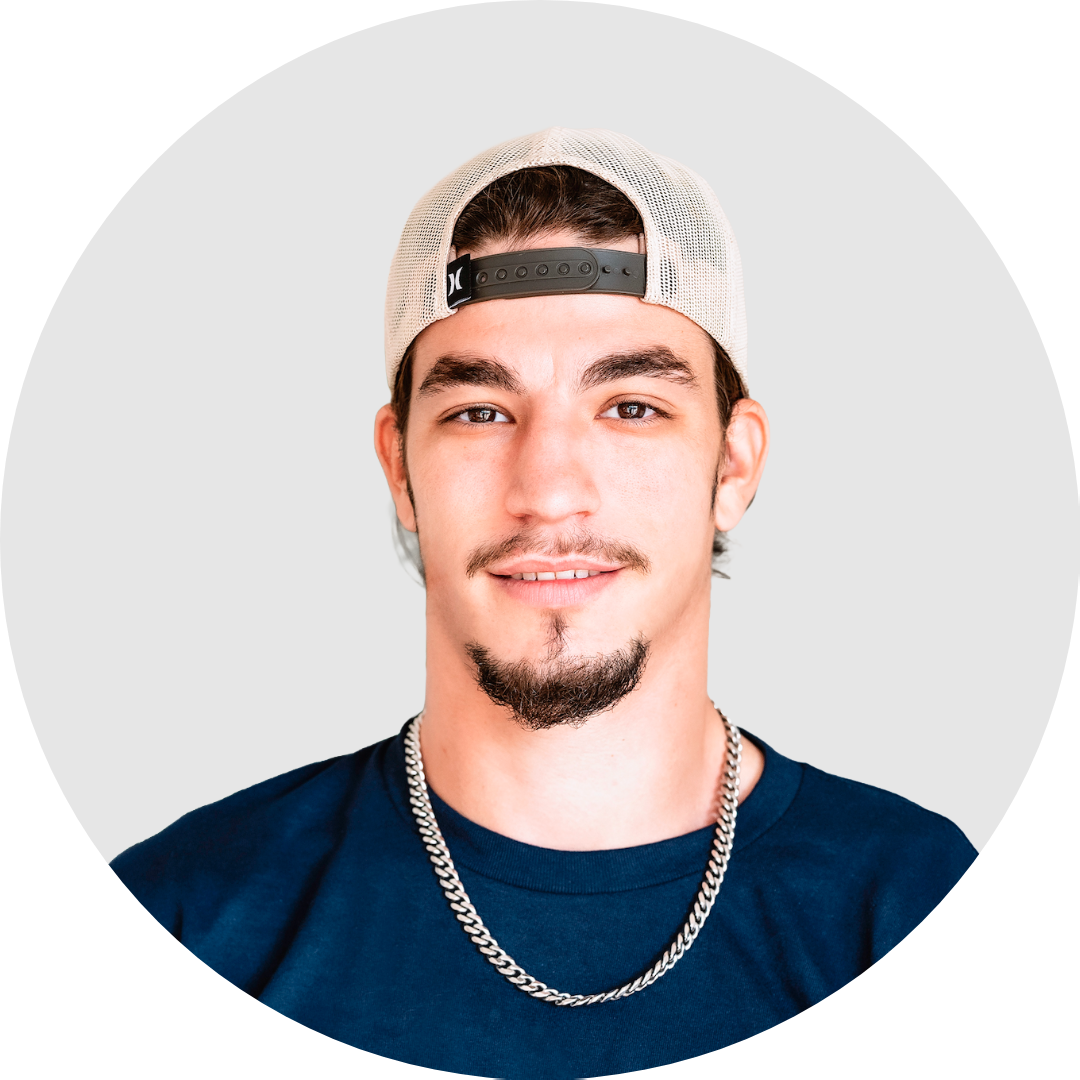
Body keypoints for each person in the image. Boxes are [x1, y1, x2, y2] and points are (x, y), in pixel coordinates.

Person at [111, 128, 979, 1079]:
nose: (550, 489)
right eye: (480, 412)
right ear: (400, 467)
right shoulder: (178, 921)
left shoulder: (925, 916)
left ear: (733, 464)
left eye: (632, 407)